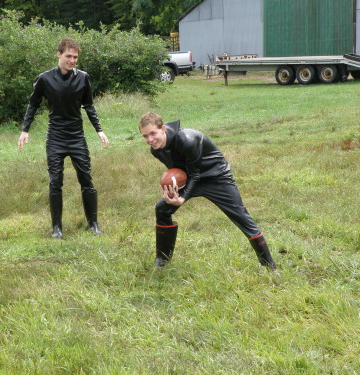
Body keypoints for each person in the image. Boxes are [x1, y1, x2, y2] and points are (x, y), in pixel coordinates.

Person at [138, 112, 277, 270]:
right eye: (145, 136)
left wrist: (182, 198)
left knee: (242, 218)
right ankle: (162, 261)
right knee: (162, 208)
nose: (150, 140)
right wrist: (171, 190)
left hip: (216, 177)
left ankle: (269, 266)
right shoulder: (156, 150)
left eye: (153, 133)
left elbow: (195, 174)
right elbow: (178, 172)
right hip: (191, 177)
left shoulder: (187, 139)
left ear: (163, 129)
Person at [18, 38, 109, 237]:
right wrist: (25, 130)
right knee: (55, 181)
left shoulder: (83, 77)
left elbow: (89, 105)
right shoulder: (45, 79)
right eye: (68, 56)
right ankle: (56, 228)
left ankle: (93, 224)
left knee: (86, 179)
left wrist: (99, 130)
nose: (72, 60)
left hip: (77, 137)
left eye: (75, 57)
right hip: (56, 137)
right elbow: (33, 104)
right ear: (59, 54)